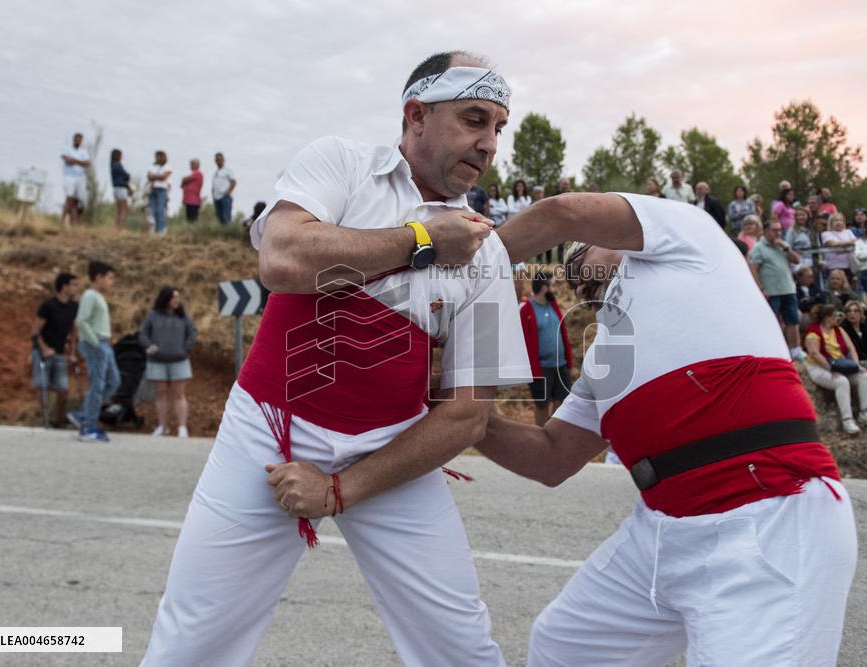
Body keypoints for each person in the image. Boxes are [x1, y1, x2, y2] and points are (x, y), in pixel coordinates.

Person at [142, 51, 548, 667]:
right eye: (473, 120)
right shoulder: (341, 165)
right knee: (193, 642)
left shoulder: (487, 253)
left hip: (391, 451)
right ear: (416, 114)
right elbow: (282, 258)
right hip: (267, 433)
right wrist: (423, 243)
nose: (489, 143)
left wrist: (340, 490)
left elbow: (467, 416)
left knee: (460, 648)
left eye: (498, 127)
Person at [477, 193, 857, 666]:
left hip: (767, 516)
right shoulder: (606, 358)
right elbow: (552, 456)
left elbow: (563, 215)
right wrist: (467, 420)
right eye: (574, 284)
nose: (579, 280)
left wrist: (466, 264)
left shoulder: (689, 238)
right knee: (564, 645)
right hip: (660, 532)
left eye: (583, 257)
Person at [804, 303, 867, 434]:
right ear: (827, 318)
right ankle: (847, 419)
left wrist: (857, 366)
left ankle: (865, 412)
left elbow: (851, 349)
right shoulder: (813, 333)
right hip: (819, 367)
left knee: (864, 376)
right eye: (835, 315)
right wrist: (830, 369)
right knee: (841, 381)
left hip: (839, 363)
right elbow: (815, 354)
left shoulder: (839, 330)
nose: (838, 318)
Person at [70, 261, 120, 443]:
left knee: (114, 381)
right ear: (98, 277)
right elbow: (81, 321)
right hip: (96, 344)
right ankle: (88, 427)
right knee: (98, 385)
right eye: (109, 277)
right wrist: (95, 342)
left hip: (103, 344)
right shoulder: (90, 295)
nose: (112, 281)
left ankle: (85, 414)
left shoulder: (98, 296)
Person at [138, 287, 197, 438]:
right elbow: (143, 334)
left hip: (179, 360)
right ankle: (162, 426)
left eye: (177, 297)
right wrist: (150, 347)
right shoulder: (153, 316)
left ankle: (182, 428)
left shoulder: (183, 316)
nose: (177, 300)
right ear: (165, 299)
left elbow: (192, 333)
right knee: (160, 394)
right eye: (173, 297)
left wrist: (186, 348)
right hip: (156, 361)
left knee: (179, 394)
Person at [520, 271, 573, 426]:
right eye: (553, 284)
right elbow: (526, 342)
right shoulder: (527, 309)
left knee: (562, 402)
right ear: (544, 288)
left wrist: (568, 360)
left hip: (560, 365)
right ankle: (541, 437)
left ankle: (553, 436)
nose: (556, 288)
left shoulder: (553, 305)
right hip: (541, 368)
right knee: (542, 405)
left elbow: (562, 332)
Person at [749, 220, 805, 361]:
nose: (778, 233)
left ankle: (795, 350)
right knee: (773, 322)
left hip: (788, 289)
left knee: (792, 321)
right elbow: (753, 269)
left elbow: (797, 261)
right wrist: (761, 288)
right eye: (774, 230)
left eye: (780, 230)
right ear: (766, 231)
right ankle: (774, 351)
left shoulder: (783, 245)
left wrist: (786, 249)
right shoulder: (759, 247)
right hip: (772, 291)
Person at [31, 272, 80, 428]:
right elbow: (34, 331)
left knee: (63, 389)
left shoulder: (74, 307)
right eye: (73, 285)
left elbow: (73, 332)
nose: (76, 288)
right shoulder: (48, 306)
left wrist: (72, 353)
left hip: (60, 353)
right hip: (42, 353)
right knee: (41, 386)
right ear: (64, 286)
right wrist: (44, 349)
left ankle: (57, 419)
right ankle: (45, 418)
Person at [60, 132, 90, 227]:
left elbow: (87, 163)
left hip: (80, 178)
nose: (79, 141)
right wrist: (80, 162)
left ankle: (75, 223)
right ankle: (63, 220)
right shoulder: (66, 149)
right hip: (69, 177)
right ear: (74, 140)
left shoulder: (84, 152)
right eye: (77, 139)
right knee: (69, 198)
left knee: (78, 201)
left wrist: (75, 161)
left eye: (80, 140)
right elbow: (67, 161)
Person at [821, 213, 857, 282]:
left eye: (841, 220)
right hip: (832, 267)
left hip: (849, 266)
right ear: (831, 222)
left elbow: (856, 242)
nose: (839, 222)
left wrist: (840, 243)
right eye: (836, 220)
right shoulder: (826, 233)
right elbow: (832, 244)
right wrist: (849, 242)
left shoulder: (848, 231)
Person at [146, 151, 172, 235]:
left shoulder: (168, 166)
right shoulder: (153, 166)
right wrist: (157, 176)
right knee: (152, 211)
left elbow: (164, 177)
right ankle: (152, 230)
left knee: (160, 210)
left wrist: (154, 176)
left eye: (158, 156)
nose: (156, 158)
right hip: (152, 190)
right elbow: (149, 176)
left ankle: (161, 230)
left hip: (162, 190)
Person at [786, 207, 815, 272]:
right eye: (798, 215)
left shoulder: (812, 230)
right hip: (800, 262)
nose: (800, 217)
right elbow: (788, 247)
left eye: (803, 215)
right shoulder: (792, 231)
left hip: (813, 262)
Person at [211, 152, 237, 224]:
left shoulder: (228, 170)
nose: (218, 161)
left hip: (225, 197)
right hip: (216, 198)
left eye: (220, 159)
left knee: (226, 218)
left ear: (223, 160)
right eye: (217, 160)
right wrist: (213, 194)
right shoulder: (215, 173)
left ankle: (228, 233)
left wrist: (228, 192)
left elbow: (234, 182)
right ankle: (222, 234)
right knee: (220, 218)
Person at [110, 149, 131, 231]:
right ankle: (120, 228)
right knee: (124, 209)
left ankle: (117, 227)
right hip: (121, 188)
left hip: (115, 188)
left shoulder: (112, 165)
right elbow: (126, 175)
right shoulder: (118, 165)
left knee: (119, 210)